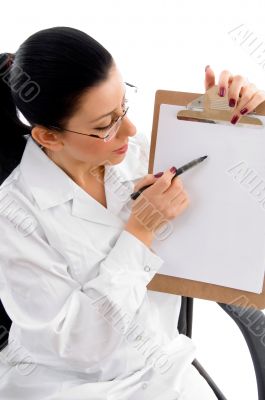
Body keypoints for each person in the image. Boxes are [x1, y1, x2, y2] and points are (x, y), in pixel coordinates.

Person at [0, 26, 264, 400]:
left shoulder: (136, 153)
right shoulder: (13, 216)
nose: (131, 128)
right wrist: (140, 231)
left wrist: (227, 123)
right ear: (48, 137)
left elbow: (229, 221)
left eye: (124, 106)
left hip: (164, 371)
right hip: (68, 388)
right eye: (106, 125)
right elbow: (81, 347)